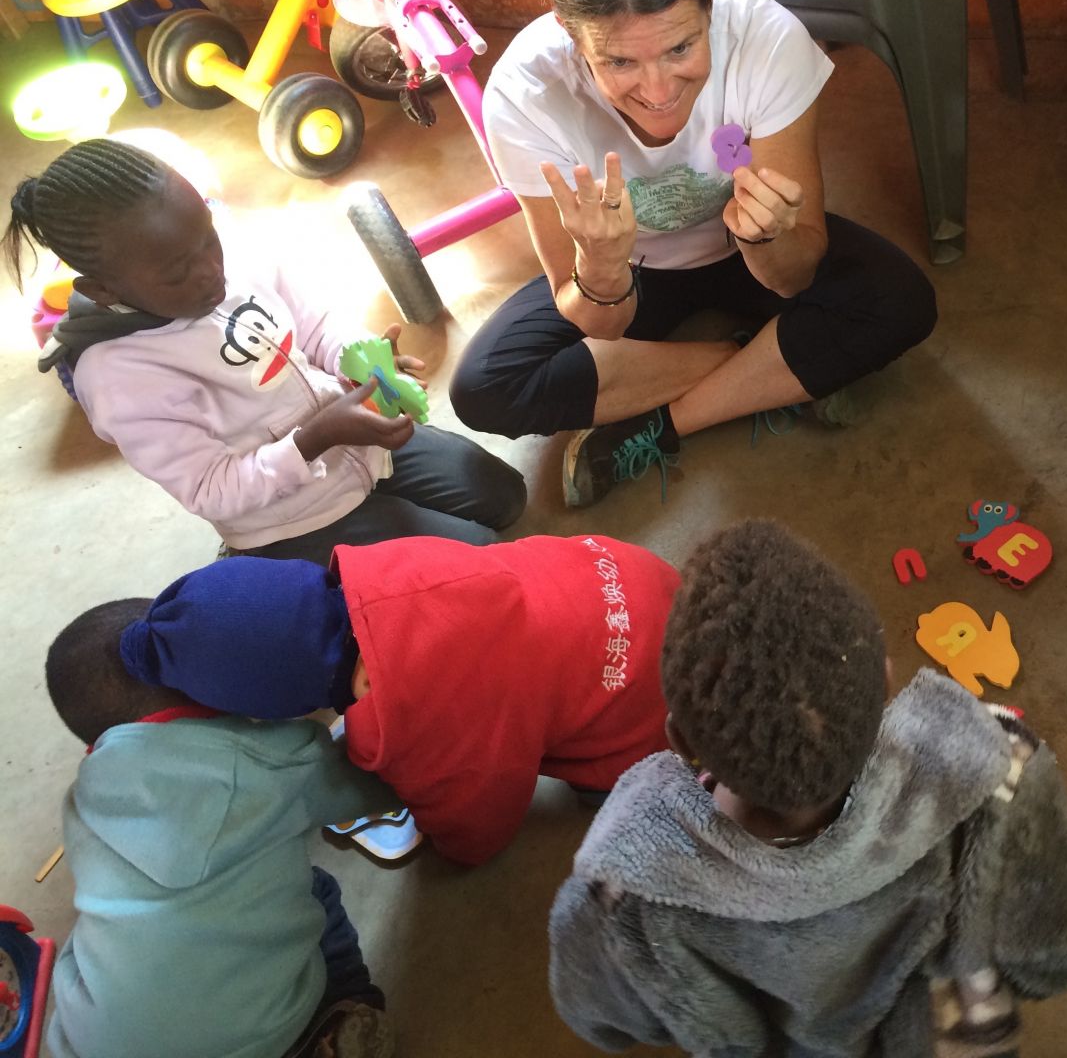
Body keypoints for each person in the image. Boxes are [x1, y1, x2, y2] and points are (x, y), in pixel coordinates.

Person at [548, 520, 1067, 1055]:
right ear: (887, 681)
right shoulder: (993, 771)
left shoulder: (628, 884)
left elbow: (598, 1008)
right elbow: (1066, 934)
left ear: (678, 738)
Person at [451, 0, 938, 507]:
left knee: (902, 301)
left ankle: (663, 423)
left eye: (681, 47)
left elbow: (793, 277)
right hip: (634, 273)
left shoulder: (766, 38)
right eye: (620, 63)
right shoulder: (525, 94)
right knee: (486, 386)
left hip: (746, 258)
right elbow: (598, 317)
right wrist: (601, 271)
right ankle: (765, 364)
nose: (657, 91)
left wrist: (764, 238)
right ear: (571, 34)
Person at [5, 138, 527, 565]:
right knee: (483, 557)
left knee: (506, 497)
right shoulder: (120, 378)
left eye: (208, 239)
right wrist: (316, 438)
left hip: (358, 446)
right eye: (178, 273)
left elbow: (311, 320)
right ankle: (260, 561)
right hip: (288, 514)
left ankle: (376, 505)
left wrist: (364, 362)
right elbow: (211, 489)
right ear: (105, 291)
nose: (212, 270)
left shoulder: (236, 249)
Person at [117, 532, 679, 866]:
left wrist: (455, 843)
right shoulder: (388, 567)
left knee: (610, 784)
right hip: (630, 575)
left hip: (656, 691)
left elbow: (482, 817)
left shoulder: (420, 718)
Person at [43, 599, 399, 1058]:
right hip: (261, 1032)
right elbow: (378, 785)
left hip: (94, 1044)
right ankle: (346, 1007)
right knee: (318, 890)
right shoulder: (278, 759)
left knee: (96, 939)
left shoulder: (82, 799)